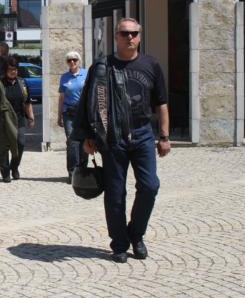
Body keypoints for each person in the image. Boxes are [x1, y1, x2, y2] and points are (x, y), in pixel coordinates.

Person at [72, 17, 171, 263]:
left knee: (150, 186)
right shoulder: (101, 67)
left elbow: (161, 103)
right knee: (115, 192)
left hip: (142, 134)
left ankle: (136, 235)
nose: (129, 37)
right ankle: (119, 243)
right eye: (124, 33)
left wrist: (164, 136)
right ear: (116, 36)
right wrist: (86, 136)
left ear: (140, 36)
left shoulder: (151, 65)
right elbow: (87, 103)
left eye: (134, 33)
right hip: (112, 137)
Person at [0, 57, 35, 182]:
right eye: (10, 69)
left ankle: (14, 167)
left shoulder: (22, 83)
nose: (13, 72)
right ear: (5, 70)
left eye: (15, 69)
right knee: (3, 146)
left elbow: (27, 102)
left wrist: (31, 117)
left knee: (20, 143)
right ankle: (5, 172)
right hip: (3, 120)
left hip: (19, 119)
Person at [57, 51, 88, 184]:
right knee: (72, 142)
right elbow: (61, 98)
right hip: (68, 113)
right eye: (69, 60)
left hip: (83, 113)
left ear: (78, 61)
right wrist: (59, 115)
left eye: (74, 59)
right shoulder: (64, 77)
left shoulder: (86, 74)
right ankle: (72, 172)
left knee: (84, 141)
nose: (72, 62)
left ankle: (83, 170)